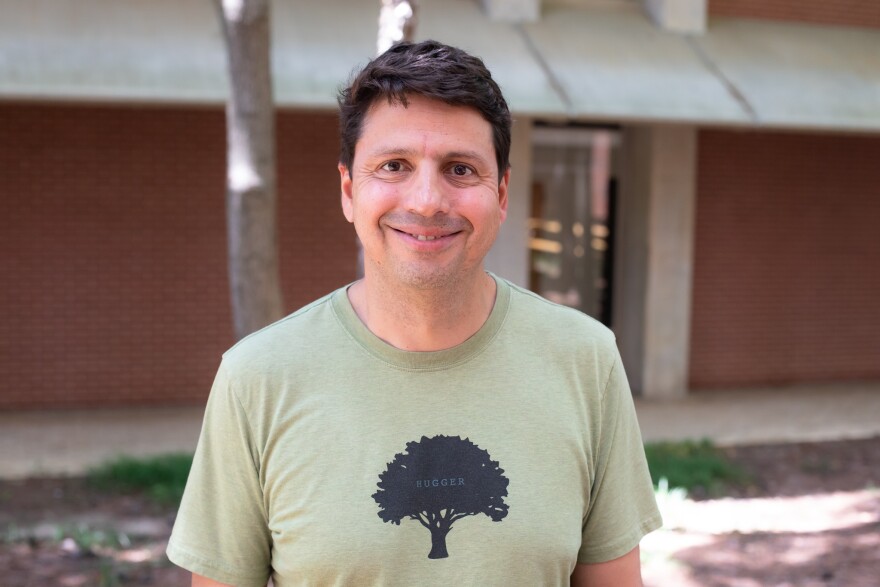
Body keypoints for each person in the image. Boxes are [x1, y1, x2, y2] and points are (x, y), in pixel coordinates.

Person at [167, 40, 661, 587]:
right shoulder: (256, 377)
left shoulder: (585, 360)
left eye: (460, 169)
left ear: (501, 193)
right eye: (394, 165)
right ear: (350, 190)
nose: (427, 200)